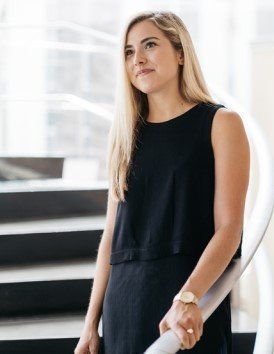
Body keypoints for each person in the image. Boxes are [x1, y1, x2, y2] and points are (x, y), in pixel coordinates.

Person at [74, 10, 250, 354]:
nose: (137, 59)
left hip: (186, 298)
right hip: (123, 304)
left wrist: (188, 296)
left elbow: (229, 228)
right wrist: (90, 325)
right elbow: (111, 237)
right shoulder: (125, 136)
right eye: (128, 52)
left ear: (180, 52)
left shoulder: (221, 123)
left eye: (149, 45)